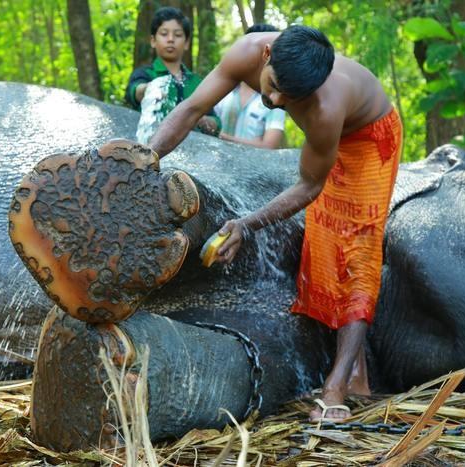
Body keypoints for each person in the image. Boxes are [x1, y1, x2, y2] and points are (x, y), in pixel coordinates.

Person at [147, 25, 402, 422]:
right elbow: (193, 108)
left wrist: (246, 225)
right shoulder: (244, 53)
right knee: (323, 244)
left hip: (369, 140)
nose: (275, 100)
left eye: (290, 97)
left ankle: (337, 388)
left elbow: (308, 185)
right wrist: (142, 161)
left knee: (357, 249)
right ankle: (357, 373)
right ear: (266, 54)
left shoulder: (324, 108)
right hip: (329, 142)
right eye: (274, 85)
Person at [124, 6, 220, 142]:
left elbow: (216, 122)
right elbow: (134, 91)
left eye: (178, 35)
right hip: (150, 147)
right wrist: (148, 90)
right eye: (164, 34)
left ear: (186, 43)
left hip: (193, 154)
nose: (170, 39)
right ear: (153, 40)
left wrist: (202, 120)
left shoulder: (197, 82)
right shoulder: (146, 74)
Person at [214, 24, 285, 149]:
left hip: (253, 168)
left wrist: (220, 136)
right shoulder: (225, 90)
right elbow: (209, 121)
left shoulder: (275, 99)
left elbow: (269, 146)